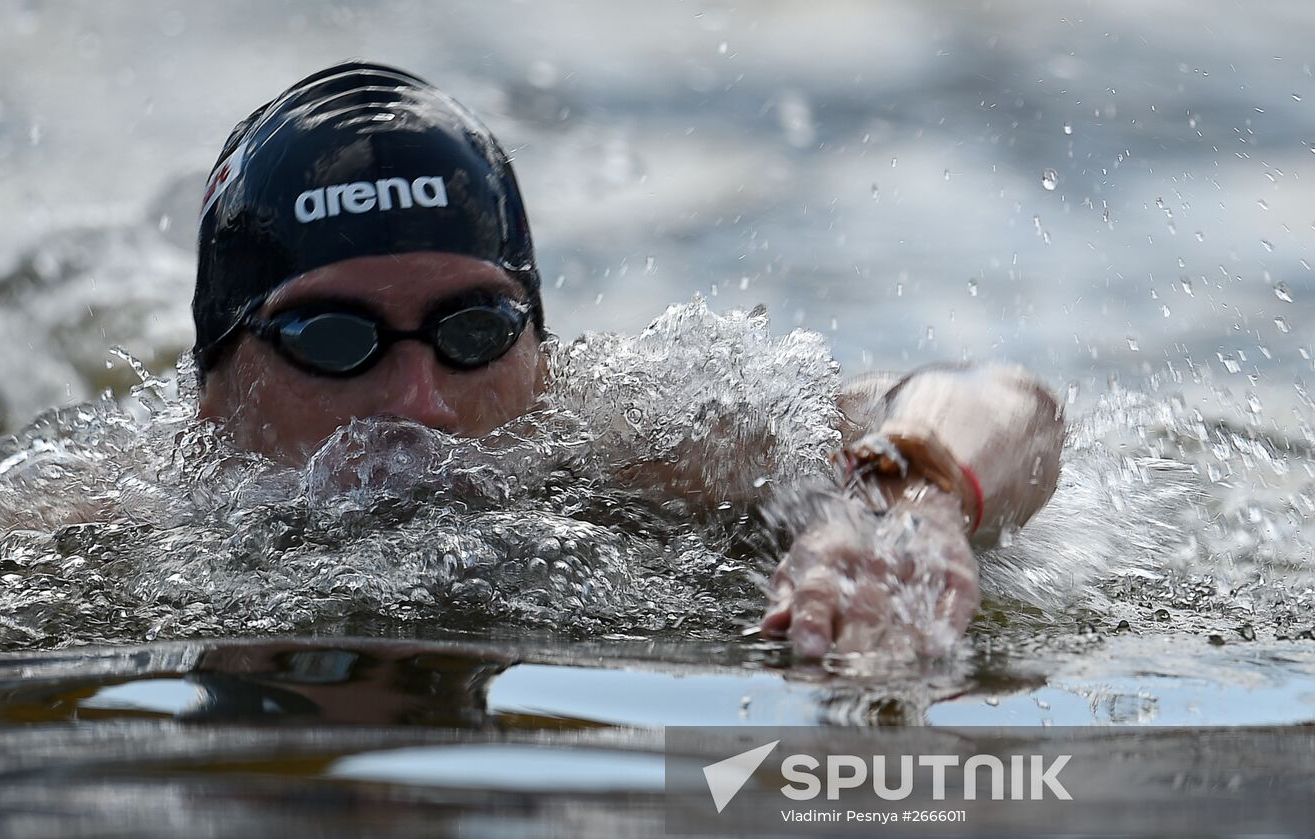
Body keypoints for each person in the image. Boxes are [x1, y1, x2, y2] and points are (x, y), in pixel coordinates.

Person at [193, 62, 1065, 659]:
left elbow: (996, 399)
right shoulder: (98, 530)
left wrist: (907, 495)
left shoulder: (629, 438)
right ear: (215, 392)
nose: (422, 402)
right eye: (335, 339)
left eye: (475, 331)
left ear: (538, 347)